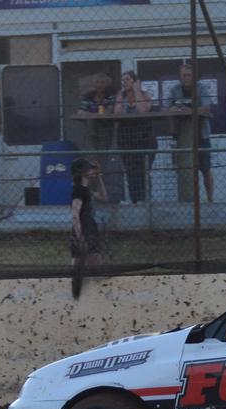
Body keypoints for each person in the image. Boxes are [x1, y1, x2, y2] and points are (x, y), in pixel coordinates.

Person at [166, 63, 215, 203]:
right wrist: (173, 109)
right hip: (182, 136)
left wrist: (187, 111)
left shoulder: (202, 88)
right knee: (186, 170)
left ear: (194, 76)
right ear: (180, 77)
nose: (186, 78)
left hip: (201, 135)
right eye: (183, 75)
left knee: (205, 169)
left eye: (189, 75)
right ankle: (192, 201)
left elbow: (206, 108)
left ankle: (211, 199)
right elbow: (167, 107)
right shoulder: (175, 90)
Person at [113, 70, 155, 204]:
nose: (124, 82)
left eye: (127, 79)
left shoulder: (145, 94)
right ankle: (134, 199)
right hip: (126, 137)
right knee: (131, 171)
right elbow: (117, 113)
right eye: (123, 80)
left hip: (144, 137)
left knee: (143, 169)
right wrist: (119, 98)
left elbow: (143, 110)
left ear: (135, 81)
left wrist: (137, 91)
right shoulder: (121, 96)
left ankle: (144, 199)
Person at [70, 158, 108, 299]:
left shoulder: (87, 190)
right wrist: (79, 235)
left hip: (90, 227)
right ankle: (79, 290)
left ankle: (91, 288)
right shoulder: (79, 190)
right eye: (89, 169)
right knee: (80, 259)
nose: (92, 171)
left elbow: (104, 197)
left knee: (93, 258)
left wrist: (99, 179)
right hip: (83, 228)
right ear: (81, 173)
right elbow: (75, 214)